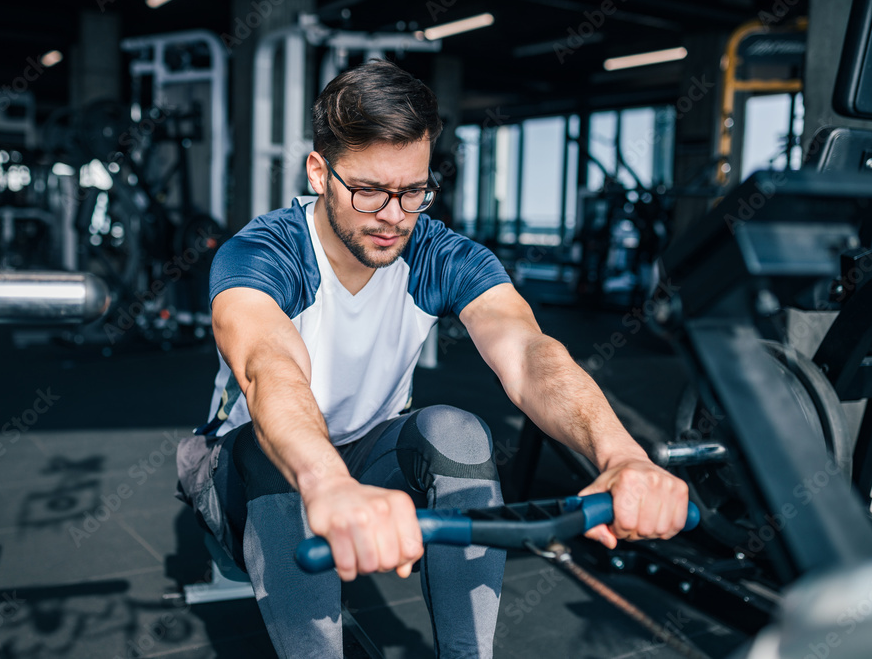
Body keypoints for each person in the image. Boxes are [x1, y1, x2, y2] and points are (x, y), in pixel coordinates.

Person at [176, 59, 690, 658]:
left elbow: (528, 353)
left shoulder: (437, 252)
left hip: (368, 455)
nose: (394, 215)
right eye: (369, 191)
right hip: (242, 474)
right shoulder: (263, 253)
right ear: (319, 173)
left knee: (458, 431)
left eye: (413, 190)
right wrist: (327, 483)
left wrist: (622, 454)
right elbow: (271, 369)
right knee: (269, 457)